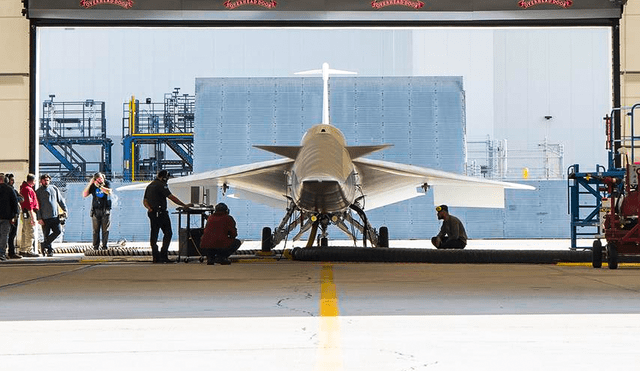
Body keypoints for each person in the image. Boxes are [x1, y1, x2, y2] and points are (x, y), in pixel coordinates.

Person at [143, 170, 191, 263]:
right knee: (168, 233)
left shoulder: (150, 185)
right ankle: (163, 256)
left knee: (154, 234)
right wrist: (183, 205)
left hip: (152, 213)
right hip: (161, 213)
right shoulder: (161, 185)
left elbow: (145, 200)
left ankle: (155, 258)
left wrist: (149, 208)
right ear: (164, 177)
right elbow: (171, 197)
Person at [36, 174, 68, 257]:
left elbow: (60, 200)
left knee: (58, 231)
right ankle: (49, 251)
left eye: (47, 180)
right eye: (44, 180)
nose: (46, 182)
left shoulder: (54, 188)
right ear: (41, 181)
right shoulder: (38, 192)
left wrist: (65, 210)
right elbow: (37, 206)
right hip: (44, 218)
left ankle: (44, 244)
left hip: (54, 216)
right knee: (46, 234)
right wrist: (39, 218)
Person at [83, 172, 112, 250]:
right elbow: (84, 194)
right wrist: (90, 183)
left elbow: (109, 192)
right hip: (96, 211)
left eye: (101, 178)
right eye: (98, 179)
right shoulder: (93, 186)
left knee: (105, 230)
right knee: (95, 230)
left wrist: (99, 186)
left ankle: (104, 246)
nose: (100, 180)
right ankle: (96, 246)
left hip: (105, 210)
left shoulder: (107, 183)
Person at [19, 173, 40, 257]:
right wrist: (32, 217)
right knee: (30, 231)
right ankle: (29, 249)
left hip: (23, 213)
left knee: (24, 231)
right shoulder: (28, 190)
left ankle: (23, 249)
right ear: (32, 181)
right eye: (34, 181)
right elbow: (30, 204)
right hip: (29, 212)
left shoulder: (22, 188)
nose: (35, 183)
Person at [0, 173, 19, 262]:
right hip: (6, 217)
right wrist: (15, 215)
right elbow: (15, 203)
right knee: (4, 235)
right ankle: (2, 254)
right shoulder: (9, 190)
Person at [5, 174, 24, 259]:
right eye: (11, 180)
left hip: (14, 216)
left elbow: (21, 198)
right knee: (6, 235)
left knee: (12, 235)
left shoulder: (13, 190)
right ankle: (7, 252)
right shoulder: (9, 190)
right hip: (9, 216)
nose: (13, 181)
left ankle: (11, 252)